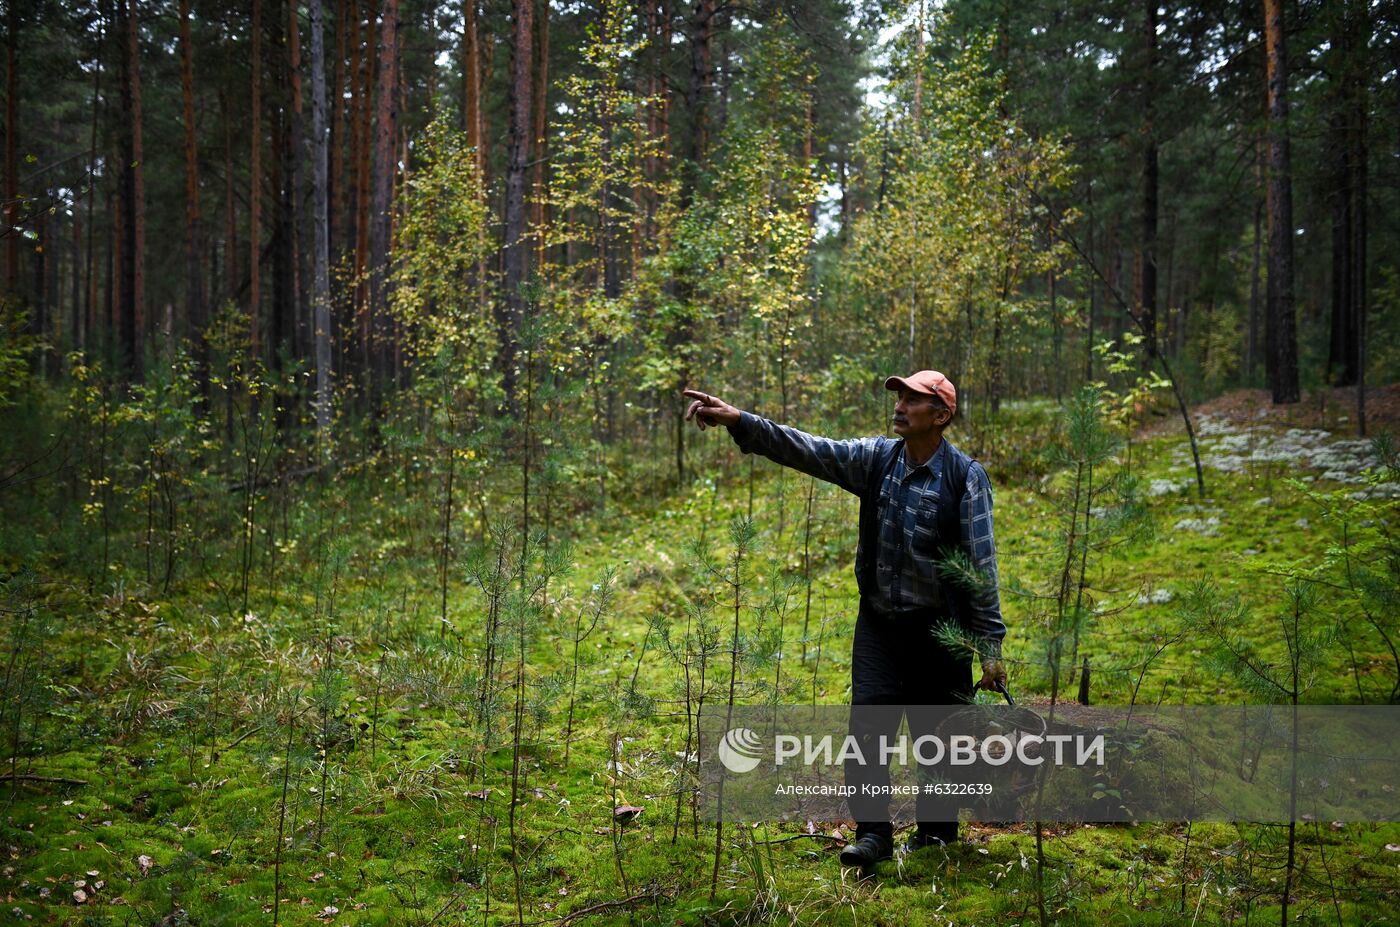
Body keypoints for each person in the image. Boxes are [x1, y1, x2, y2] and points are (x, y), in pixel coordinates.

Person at [682, 371, 1008, 869]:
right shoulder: (877, 460)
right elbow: (807, 448)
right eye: (899, 396)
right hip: (879, 624)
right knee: (868, 729)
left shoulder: (965, 479)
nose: (900, 405)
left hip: (940, 632)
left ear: (940, 415)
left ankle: (937, 837)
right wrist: (740, 420)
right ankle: (873, 832)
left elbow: (980, 567)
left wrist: (989, 646)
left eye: (913, 399)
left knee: (939, 739)